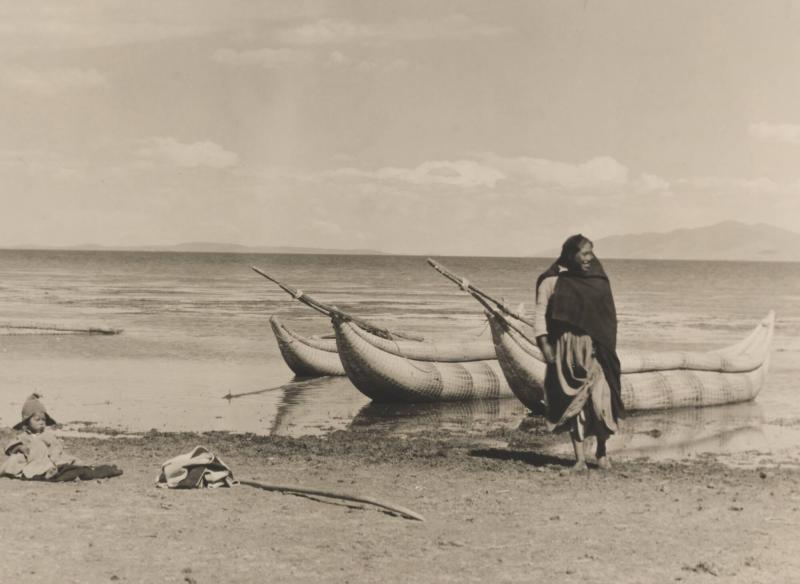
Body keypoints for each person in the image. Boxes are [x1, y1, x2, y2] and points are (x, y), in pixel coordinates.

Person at [533, 234, 624, 471]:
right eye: (584, 253)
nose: (589, 258)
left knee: (601, 399)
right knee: (573, 402)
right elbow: (540, 316)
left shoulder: (598, 280)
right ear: (571, 254)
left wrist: (605, 346)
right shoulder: (551, 282)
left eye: (591, 252)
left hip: (596, 349)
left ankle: (602, 453)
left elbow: (607, 318)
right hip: (566, 351)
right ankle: (580, 459)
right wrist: (545, 346)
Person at [0, 393, 122, 481]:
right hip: (30, 460)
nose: (42, 422)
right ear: (26, 422)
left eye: (44, 420)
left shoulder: (47, 435)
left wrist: (54, 452)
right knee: (15, 461)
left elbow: (57, 447)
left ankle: (50, 472)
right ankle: (40, 473)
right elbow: (10, 446)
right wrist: (19, 448)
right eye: (37, 420)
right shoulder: (23, 436)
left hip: (48, 460)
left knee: (66, 462)